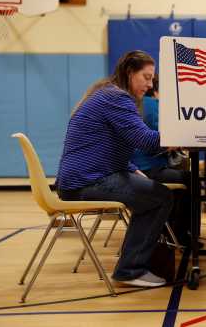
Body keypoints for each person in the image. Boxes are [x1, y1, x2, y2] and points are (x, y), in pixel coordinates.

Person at [56, 50, 173, 287]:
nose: (150, 85)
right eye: (146, 77)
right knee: (160, 196)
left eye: (152, 79)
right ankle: (130, 270)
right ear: (130, 73)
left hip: (83, 178)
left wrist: (130, 167)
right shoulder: (116, 98)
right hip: (84, 182)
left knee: (155, 193)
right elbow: (146, 141)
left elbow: (105, 143)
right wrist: (179, 135)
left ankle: (136, 263)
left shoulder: (108, 93)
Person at [131, 75, 193, 246]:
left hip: (137, 167)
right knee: (190, 179)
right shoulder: (153, 105)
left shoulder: (139, 103)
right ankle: (181, 235)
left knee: (182, 176)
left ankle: (171, 230)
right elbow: (165, 138)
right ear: (157, 91)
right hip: (148, 168)